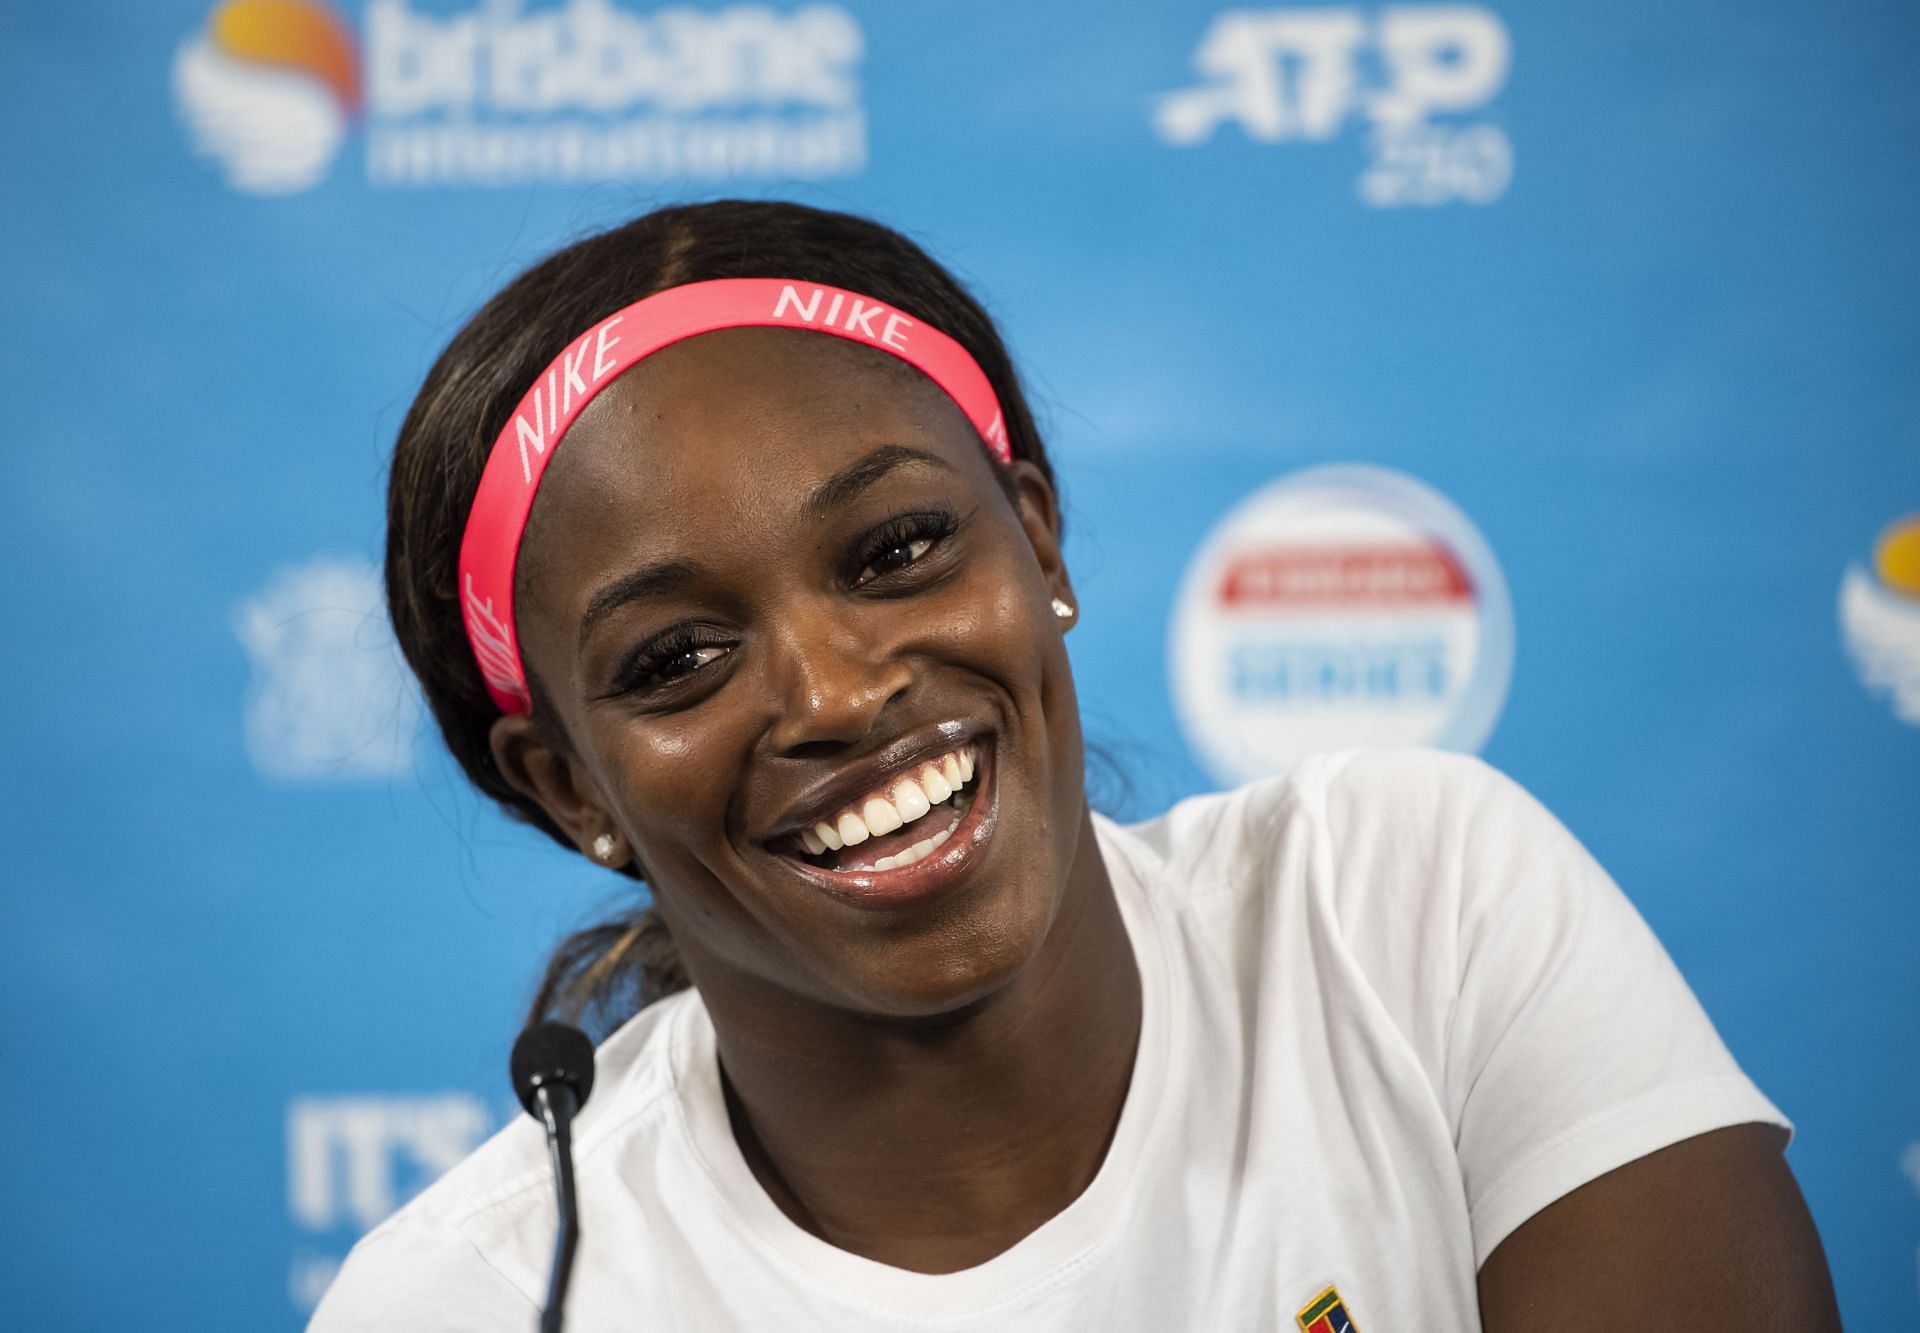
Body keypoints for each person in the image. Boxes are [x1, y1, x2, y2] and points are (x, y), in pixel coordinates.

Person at [312, 200, 1840, 1331]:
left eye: (900, 548)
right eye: (676, 660)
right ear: (572, 787)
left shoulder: (1402, 906)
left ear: (1034, 537)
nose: (840, 692)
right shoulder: (478, 1299)